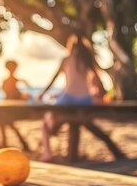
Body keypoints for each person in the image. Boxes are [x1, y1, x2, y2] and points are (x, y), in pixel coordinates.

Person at [35, 34, 105, 162]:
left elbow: (54, 79)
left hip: (68, 99)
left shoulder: (66, 59)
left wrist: (42, 93)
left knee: (46, 122)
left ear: (70, 46)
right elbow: (99, 85)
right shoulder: (88, 60)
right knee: (74, 121)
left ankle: (47, 152)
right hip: (85, 100)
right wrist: (98, 94)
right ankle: (69, 151)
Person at [0, 60, 31, 150]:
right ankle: (21, 143)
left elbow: (10, 94)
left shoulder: (10, 80)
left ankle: (7, 143)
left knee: (6, 123)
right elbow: (12, 94)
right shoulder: (10, 80)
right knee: (5, 123)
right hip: (7, 108)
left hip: (11, 109)